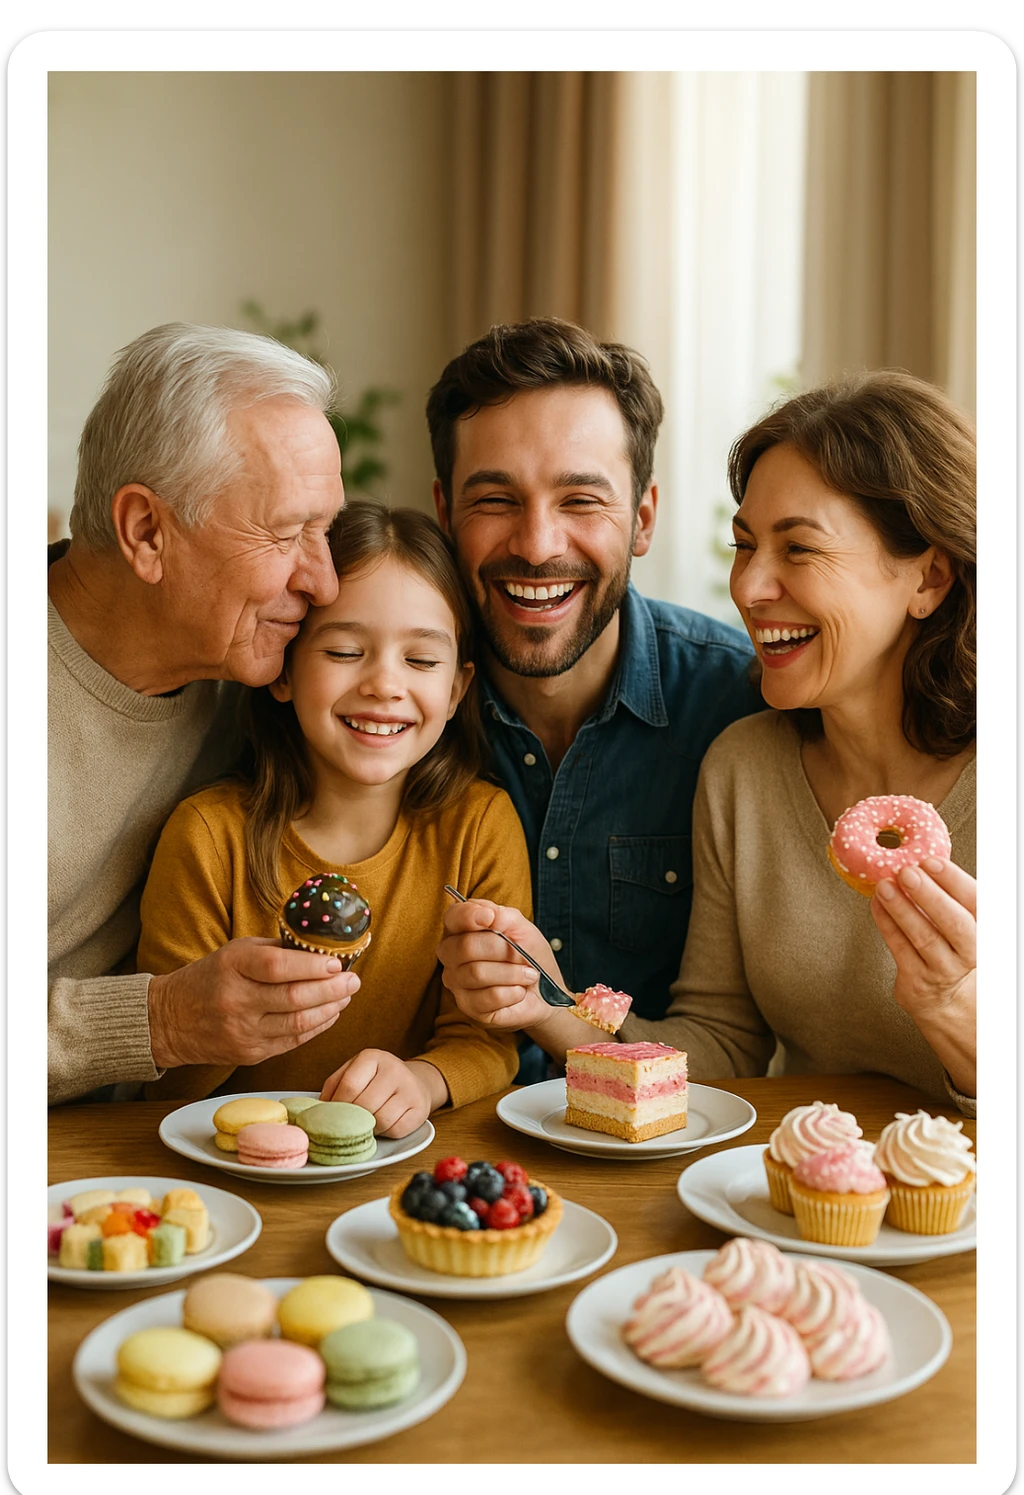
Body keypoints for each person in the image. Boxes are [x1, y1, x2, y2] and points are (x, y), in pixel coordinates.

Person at [438, 370, 977, 1114]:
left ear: (930, 577)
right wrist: (542, 1003)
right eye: (745, 544)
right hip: (793, 1200)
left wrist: (957, 1010)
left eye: (799, 549)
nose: (750, 588)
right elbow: (722, 1047)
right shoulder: (745, 766)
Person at [426, 317, 763, 1080]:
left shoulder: (740, 709)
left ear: (642, 518)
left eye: (581, 500)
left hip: (660, 1160)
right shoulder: (382, 706)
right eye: (495, 500)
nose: (539, 543)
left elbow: (736, 1049)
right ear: (445, 513)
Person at [137, 502, 532, 1135]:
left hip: (394, 1164)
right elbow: (158, 1077)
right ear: (284, 669)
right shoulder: (208, 838)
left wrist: (424, 1082)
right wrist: (220, 1026)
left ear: (457, 691)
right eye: (346, 650)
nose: (384, 684)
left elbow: (487, 1039)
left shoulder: (478, 826)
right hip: (229, 1165)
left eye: (422, 662)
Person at [48, 321, 360, 1106]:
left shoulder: (259, 678)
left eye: (325, 532)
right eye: (288, 532)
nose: (323, 583)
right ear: (146, 531)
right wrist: (160, 1021)